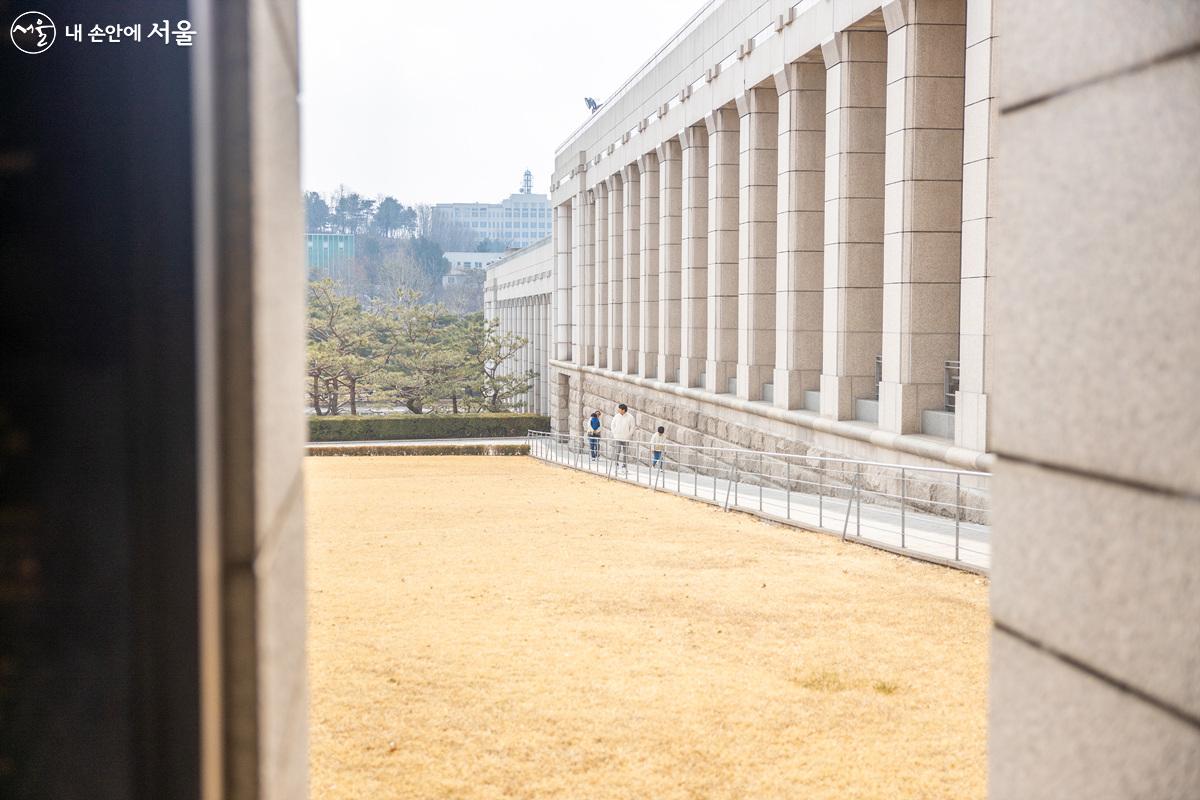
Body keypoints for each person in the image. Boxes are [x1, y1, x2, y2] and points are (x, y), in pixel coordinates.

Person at [609, 402, 636, 475]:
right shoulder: (616, 416)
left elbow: (632, 427)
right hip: (617, 437)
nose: (618, 410)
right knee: (617, 451)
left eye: (620, 409)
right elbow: (612, 425)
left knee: (626, 453)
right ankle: (616, 465)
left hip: (626, 438)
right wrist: (614, 433)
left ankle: (624, 466)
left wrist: (629, 435)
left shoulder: (630, 417)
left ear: (623, 410)